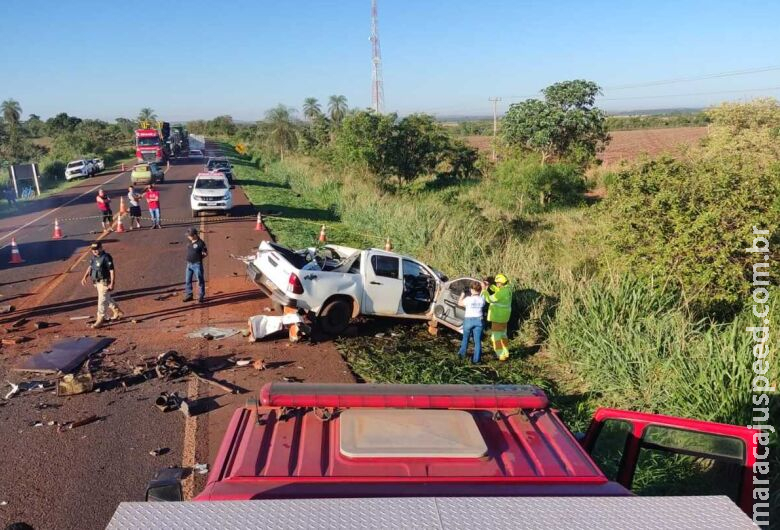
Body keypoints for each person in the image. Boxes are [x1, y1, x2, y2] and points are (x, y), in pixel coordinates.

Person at [80, 242, 124, 328]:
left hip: (104, 282)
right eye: (93, 250)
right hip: (97, 282)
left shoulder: (106, 257)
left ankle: (100, 319)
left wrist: (112, 283)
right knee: (106, 297)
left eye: (96, 249)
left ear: (101, 248)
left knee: (101, 300)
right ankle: (117, 311)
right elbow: (90, 267)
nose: (95, 251)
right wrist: (84, 277)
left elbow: (112, 270)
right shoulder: (94, 257)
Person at [482, 273, 512, 361]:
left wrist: (484, 290)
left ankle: (500, 355)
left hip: (498, 317)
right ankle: (506, 353)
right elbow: (498, 291)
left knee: (495, 337)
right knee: (503, 335)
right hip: (505, 317)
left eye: (497, 283)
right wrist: (491, 286)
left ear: (500, 283)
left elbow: (489, 299)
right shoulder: (508, 288)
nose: (497, 284)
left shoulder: (502, 293)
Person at [457, 281, 485, 363]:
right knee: (477, 341)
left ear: (471, 290)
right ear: (479, 290)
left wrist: (462, 294)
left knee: (465, 338)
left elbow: (459, 303)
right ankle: (476, 360)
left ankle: (461, 356)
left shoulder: (468, 299)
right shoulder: (482, 300)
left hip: (468, 320)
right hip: (479, 321)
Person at [183, 227, 207, 303]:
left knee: (200, 280)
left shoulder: (201, 243)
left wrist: (199, 258)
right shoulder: (189, 241)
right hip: (189, 264)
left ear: (195, 235)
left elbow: (205, 253)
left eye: (189, 235)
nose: (188, 237)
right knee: (188, 280)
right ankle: (189, 294)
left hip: (197, 264)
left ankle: (201, 295)